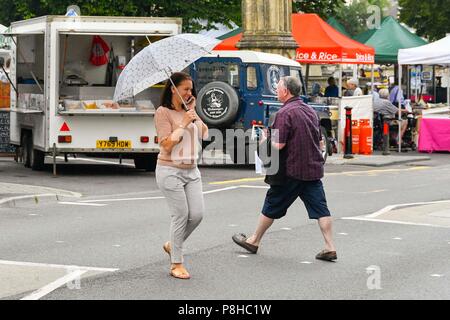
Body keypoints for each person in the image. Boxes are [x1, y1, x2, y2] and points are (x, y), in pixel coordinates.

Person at [232, 76, 337, 262]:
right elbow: (320, 141)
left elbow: (279, 145)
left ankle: (254, 240)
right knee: (321, 209)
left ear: (286, 91)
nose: (276, 91)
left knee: (272, 204)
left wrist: (265, 139)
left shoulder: (284, 113)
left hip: (291, 171)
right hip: (312, 169)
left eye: (278, 88)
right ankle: (330, 247)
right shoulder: (310, 111)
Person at [154, 72, 209, 280]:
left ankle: (171, 244)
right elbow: (166, 144)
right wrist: (183, 123)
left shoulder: (190, 111)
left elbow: (205, 134)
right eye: (185, 89)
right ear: (173, 89)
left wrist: (193, 113)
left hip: (192, 170)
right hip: (170, 171)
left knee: (197, 215)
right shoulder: (163, 112)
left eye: (190, 89)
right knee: (180, 215)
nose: (189, 93)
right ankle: (176, 263)